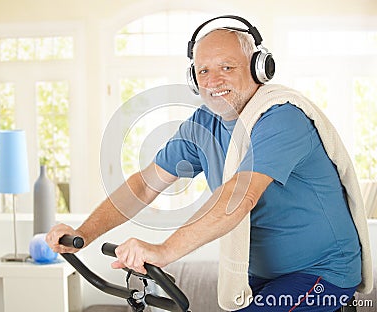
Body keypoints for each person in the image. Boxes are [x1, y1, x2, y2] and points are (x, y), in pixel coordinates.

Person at [46, 19, 365, 311]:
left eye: (227, 67)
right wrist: (82, 234)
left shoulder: (281, 118)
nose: (213, 81)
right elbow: (144, 185)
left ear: (258, 68)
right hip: (262, 273)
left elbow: (239, 196)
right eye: (203, 71)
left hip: (323, 271)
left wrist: (163, 251)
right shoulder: (203, 125)